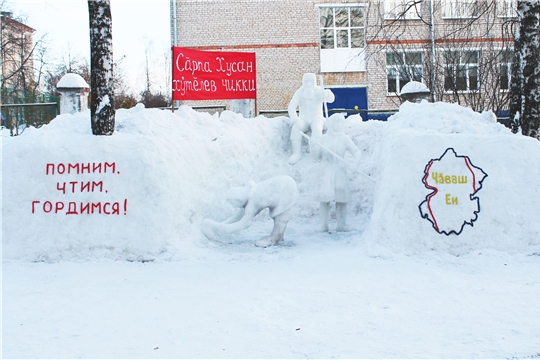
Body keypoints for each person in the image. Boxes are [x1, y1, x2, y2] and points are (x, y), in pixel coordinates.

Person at [201, 175, 298, 247]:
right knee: (280, 216)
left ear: (238, 201)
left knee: (281, 217)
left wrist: (225, 229)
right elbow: (239, 216)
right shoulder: (249, 191)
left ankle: (274, 239)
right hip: (284, 183)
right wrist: (220, 225)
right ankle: (278, 237)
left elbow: (246, 222)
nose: (234, 206)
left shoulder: (253, 201)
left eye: (232, 204)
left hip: (286, 190)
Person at [311, 113, 360, 232]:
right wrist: (314, 146)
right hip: (326, 172)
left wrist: (355, 163)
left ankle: (341, 225)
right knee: (324, 199)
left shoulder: (344, 138)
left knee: (341, 199)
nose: (338, 124)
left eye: (341, 122)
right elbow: (316, 158)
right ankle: (323, 225)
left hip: (340, 171)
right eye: (336, 122)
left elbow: (357, 151)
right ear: (331, 123)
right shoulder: (323, 139)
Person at [287, 73, 335, 165]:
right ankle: (296, 153)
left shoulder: (319, 91)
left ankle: (316, 154)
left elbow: (331, 99)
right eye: (306, 81)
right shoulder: (300, 92)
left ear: (315, 82)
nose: (309, 84)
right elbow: (291, 106)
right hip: (303, 119)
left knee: (317, 129)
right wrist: (295, 119)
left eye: (311, 81)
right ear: (303, 82)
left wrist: (327, 94)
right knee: (296, 128)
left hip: (317, 118)